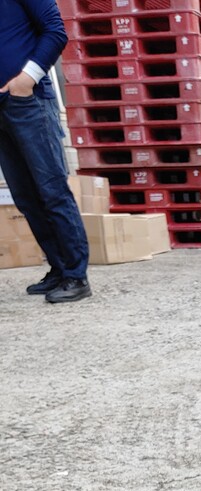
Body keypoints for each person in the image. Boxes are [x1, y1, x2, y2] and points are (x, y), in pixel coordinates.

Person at [0, 0, 91, 303]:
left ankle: (76, 276)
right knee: (25, 196)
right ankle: (59, 268)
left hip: (28, 101)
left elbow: (55, 32)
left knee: (51, 190)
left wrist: (26, 80)